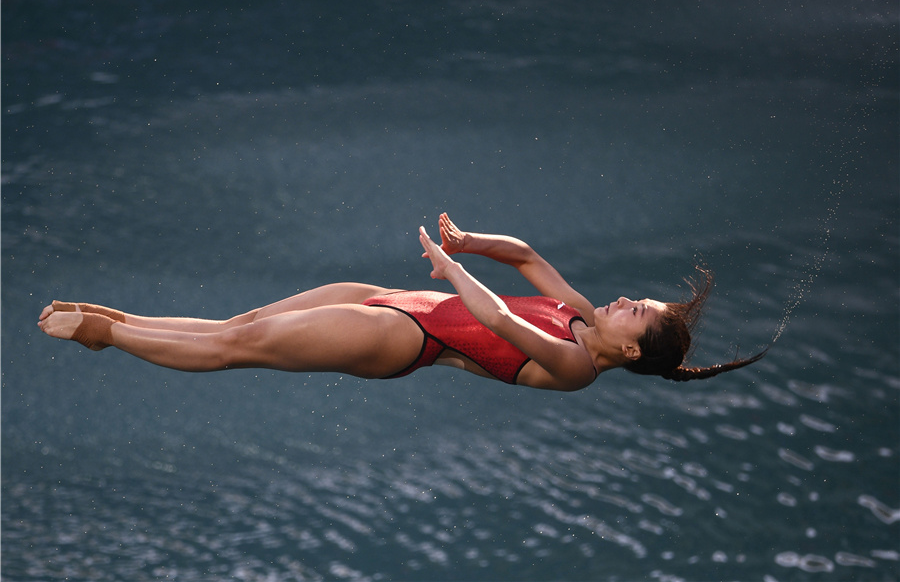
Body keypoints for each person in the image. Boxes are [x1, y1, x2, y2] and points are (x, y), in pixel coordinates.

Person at [38, 213, 765, 391]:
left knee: (236, 351)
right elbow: (528, 259)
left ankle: (110, 336)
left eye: (637, 310)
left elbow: (502, 320)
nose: (625, 299)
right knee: (243, 322)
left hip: (403, 340)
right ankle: (122, 321)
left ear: (631, 350)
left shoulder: (577, 362)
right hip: (395, 297)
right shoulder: (578, 309)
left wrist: (451, 270)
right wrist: (473, 241)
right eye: (639, 297)